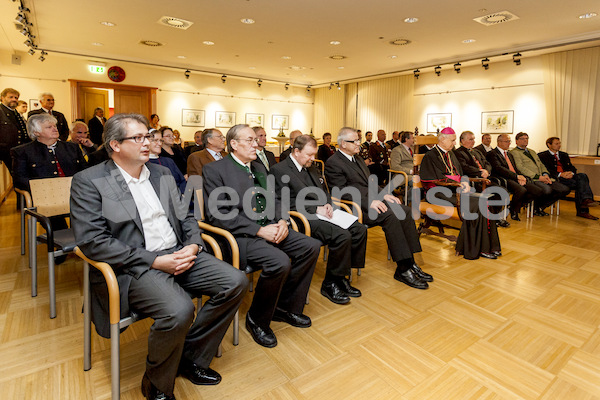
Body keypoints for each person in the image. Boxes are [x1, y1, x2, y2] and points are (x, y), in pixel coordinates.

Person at [70, 113, 247, 400]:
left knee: (236, 281)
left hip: (178, 251)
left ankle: (190, 357)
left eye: (148, 136)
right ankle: (156, 381)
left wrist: (193, 245)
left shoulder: (162, 173)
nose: (148, 143)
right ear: (115, 144)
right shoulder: (89, 180)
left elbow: (186, 216)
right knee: (179, 310)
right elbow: (92, 242)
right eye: (138, 138)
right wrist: (153, 261)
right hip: (135, 264)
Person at [203, 124, 321, 348]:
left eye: (254, 140)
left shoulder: (258, 167)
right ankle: (257, 319)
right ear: (234, 144)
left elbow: (275, 199)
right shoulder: (215, 170)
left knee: (311, 246)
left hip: (270, 227)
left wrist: (282, 221)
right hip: (239, 237)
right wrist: (258, 230)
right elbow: (217, 216)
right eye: (249, 140)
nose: (255, 144)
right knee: (279, 261)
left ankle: (284, 307)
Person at [325, 127, 432, 289]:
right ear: (342, 143)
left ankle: (411, 261)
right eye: (354, 141)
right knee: (391, 215)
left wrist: (384, 194)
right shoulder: (333, 163)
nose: (358, 144)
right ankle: (402, 268)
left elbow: (371, 184)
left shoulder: (358, 159)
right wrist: (370, 202)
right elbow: (341, 193)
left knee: (405, 211)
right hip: (355, 207)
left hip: (372, 201)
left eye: (358, 140)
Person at [272, 135, 366, 305]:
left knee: (359, 229)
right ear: (296, 151)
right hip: (301, 217)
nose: (313, 159)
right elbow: (285, 203)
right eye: (309, 155)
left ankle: (342, 276)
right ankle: (330, 283)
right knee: (342, 235)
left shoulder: (311, 166)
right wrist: (315, 209)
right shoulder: (280, 170)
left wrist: (328, 204)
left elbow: (324, 190)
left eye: (314, 154)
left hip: (323, 212)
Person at [420, 127, 501, 260]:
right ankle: (473, 248)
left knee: (485, 201)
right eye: (452, 140)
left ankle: (488, 247)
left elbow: (459, 174)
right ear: (443, 140)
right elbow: (433, 178)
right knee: (476, 204)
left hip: (455, 190)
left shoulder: (451, 154)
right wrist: (458, 183)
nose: (454, 143)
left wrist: (463, 182)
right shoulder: (431, 156)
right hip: (436, 192)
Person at [11, 113, 86, 192]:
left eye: (55, 126)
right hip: (41, 195)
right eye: (49, 127)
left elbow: (84, 171)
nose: (55, 129)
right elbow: (20, 180)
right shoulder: (22, 152)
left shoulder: (72, 147)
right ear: (36, 132)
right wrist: (45, 189)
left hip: (74, 192)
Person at [453, 131, 510, 228]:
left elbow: (487, 163)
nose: (473, 141)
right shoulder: (458, 153)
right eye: (470, 139)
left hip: (484, 178)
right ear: (462, 140)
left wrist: (486, 171)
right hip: (473, 181)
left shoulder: (476, 151)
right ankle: (492, 219)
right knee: (494, 193)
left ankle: (495, 217)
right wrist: (480, 172)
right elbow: (464, 167)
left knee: (501, 191)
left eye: (474, 139)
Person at [510, 132, 570, 216]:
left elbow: (541, 165)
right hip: (532, 178)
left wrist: (545, 174)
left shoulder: (532, 151)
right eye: (522, 139)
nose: (525, 140)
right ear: (516, 141)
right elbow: (521, 168)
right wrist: (539, 177)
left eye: (527, 138)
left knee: (564, 189)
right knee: (547, 190)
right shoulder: (514, 152)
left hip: (544, 177)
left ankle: (539, 206)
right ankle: (534, 207)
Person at [538, 137, 598, 220]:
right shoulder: (542, 156)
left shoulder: (564, 155)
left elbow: (572, 167)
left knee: (582, 176)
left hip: (568, 178)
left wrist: (571, 173)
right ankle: (583, 208)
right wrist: (560, 174)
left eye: (559, 143)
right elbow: (545, 170)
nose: (559, 145)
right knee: (580, 184)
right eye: (556, 144)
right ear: (549, 144)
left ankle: (586, 200)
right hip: (556, 179)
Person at [486, 134, 542, 221]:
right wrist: (516, 177)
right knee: (521, 190)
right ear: (499, 142)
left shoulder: (509, 154)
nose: (509, 143)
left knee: (537, 190)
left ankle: (513, 204)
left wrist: (522, 176)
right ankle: (514, 211)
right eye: (506, 141)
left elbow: (515, 168)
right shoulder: (492, 154)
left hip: (515, 177)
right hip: (503, 178)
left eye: (509, 141)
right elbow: (499, 169)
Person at [148, 129, 187, 194]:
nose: (160, 143)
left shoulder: (169, 161)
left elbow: (182, 181)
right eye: (155, 140)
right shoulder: (143, 163)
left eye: (161, 140)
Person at [0, 88, 30, 172]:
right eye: (10, 97)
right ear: (2, 98)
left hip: (20, 150)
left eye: (16, 98)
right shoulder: (1, 111)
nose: (14, 99)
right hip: (6, 152)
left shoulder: (16, 113)